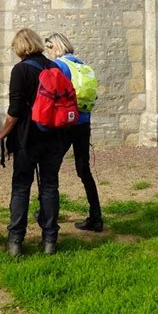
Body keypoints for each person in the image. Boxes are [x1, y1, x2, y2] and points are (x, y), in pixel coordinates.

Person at [0, 28, 65, 257]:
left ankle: (15, 242)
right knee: (50, 186)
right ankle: (50, 241)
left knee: (21, 187)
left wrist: (2, 132)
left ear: (20, 47)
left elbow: (14, 110)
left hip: (27, 138)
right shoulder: (55, 67)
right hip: (54, 136)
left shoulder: (20, 70)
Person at [44, 33, 103, 232]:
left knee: (50, 168)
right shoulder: (81, 64)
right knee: (83, 169)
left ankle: (47, 214)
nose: (47, 53)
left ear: (54, 47)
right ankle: (96, 217)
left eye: (48, 48)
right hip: (83, 123)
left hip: (66, 123)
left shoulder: (59, 66)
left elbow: (51, 94)